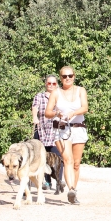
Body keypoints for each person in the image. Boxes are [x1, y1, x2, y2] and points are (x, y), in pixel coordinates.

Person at [45, 66, 88, 204]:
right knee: (67, 159)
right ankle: (71, 189)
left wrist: (73, 113)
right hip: (61, 129)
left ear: (74, 76)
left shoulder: (81, 90)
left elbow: (85, 108)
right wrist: (56, 113)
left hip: (78, 128)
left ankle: (73, 191)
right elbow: (48, 112)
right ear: (61, 78)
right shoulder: (56, 93)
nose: (67, 78)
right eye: (64, 76)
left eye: (70, 76)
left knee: (76, 163)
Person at [32, 74, 64, 191]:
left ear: (57, 85)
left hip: (56, 130)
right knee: (43, 157)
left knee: (58, 157)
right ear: (46, 84)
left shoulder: (60, 96)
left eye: (54, 83)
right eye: (49, 83)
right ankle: (47, 181)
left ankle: (59, 182)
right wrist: (35, 117)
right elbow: (35, 107)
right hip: (42, 130)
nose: (51, 85)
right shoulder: (39, 96)